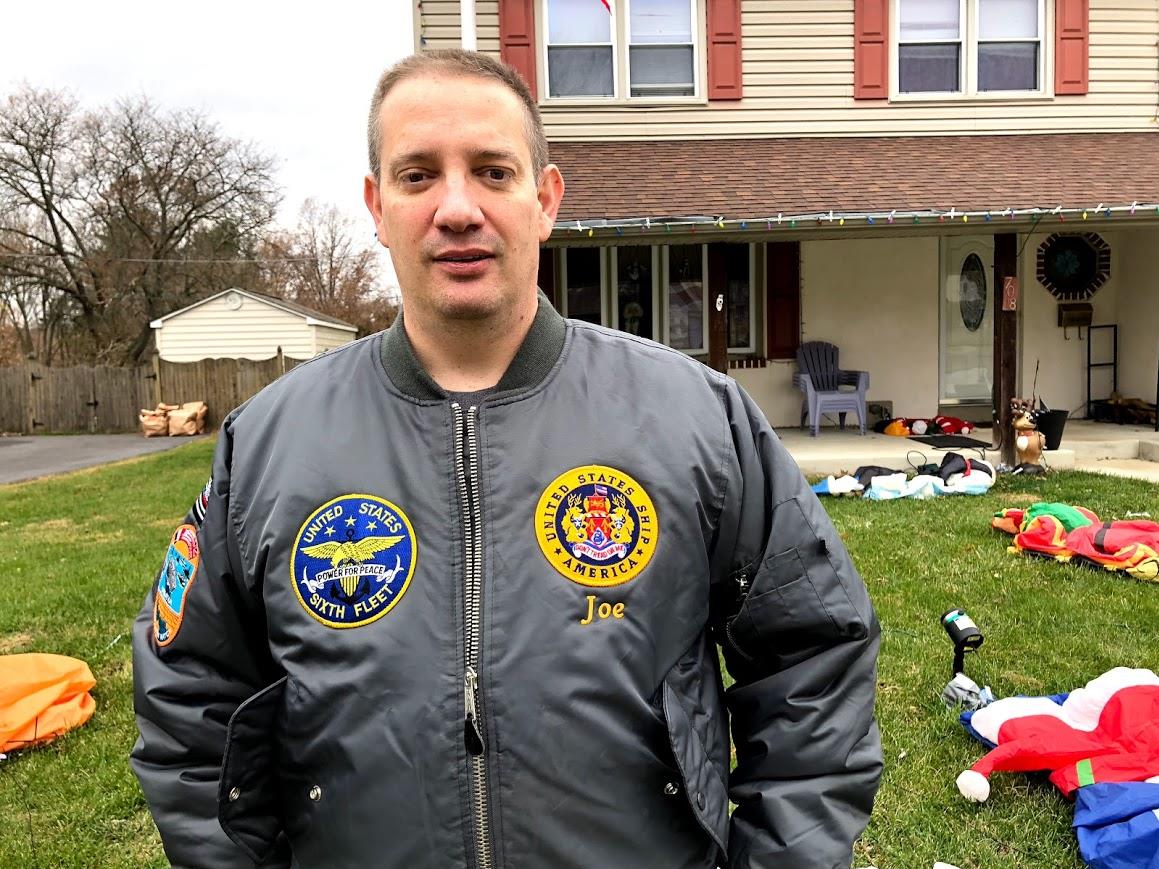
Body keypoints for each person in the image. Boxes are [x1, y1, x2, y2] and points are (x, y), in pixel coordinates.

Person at [131, 49, 882, 869]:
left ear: (544, 199)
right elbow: (189, 694)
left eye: (492, 171)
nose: (457, 208)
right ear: (377, 206)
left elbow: (812, 654)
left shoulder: (694, 418)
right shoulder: (271, 440)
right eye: (418, 176)